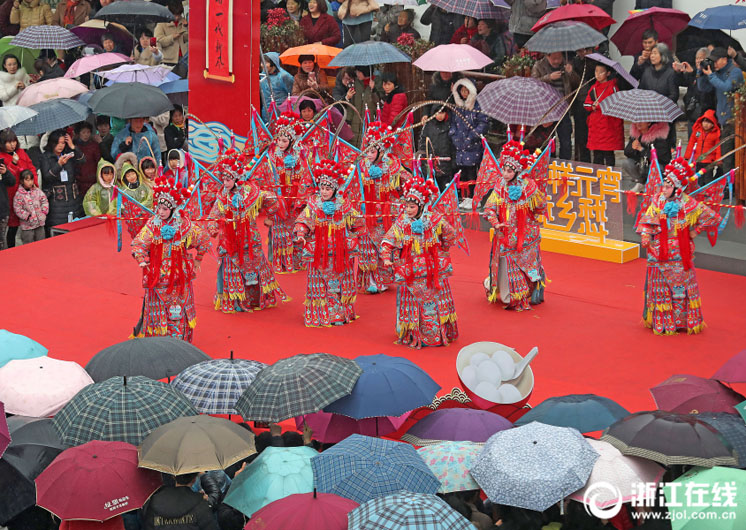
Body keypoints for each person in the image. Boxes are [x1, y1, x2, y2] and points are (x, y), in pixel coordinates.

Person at [636, 157, 720, 335]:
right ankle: (663, 323)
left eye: (667, 186)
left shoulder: (689, 204)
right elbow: (647, 221)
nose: (664, 189)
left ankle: (683, 321)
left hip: (681, 254)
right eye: (663, 186)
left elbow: (712, 217)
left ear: (678, 188)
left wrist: (695, 231)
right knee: (661, 289)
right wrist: (645, 236)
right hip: (659, 252)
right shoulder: (658, 201)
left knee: (681, 290)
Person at [381, 176, 458, 348]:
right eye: (406, 206)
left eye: (412, 207)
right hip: (411, 273)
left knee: (433, 302)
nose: (408, 210)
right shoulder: (402, 222)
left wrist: (441, 249)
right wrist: (386, 257)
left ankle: (436, 334)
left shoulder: (434, 220)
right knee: (414, 302)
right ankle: (415, 335)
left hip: (432, 271)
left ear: (421, 206)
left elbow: (451, 234)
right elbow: (388, 239)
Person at [131, 176, 210, 342]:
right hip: (157, 277)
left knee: (177, 312)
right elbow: (138, 242)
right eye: (159, 208)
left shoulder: (184, 225)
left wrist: (199, 258)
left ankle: (179, 342)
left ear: (173, 209)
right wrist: (141, 258)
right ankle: (158, 342)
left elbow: (203, 239)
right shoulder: (153, 224)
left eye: (165, 209)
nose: (160, 212)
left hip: (179, 277)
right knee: (160, 312)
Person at [293, 158, 366, 327]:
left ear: (335, 189)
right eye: (322, 188)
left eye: (328, 188)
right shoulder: (313, 204)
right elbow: (303, 221)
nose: (324, 192)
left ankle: (339, 314)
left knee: (339, 283)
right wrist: (301, 233)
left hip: (340, 252)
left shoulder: (344, 205)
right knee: (320, 282)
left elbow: (357, 222)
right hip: (319, 250)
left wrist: (358, 235)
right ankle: (321, 314)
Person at [207, 160, 287, 313]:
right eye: (223, 180)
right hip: (229, 241)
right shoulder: (222, 196)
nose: (225, 183)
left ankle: (256, 299)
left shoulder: (250, 193)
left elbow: (272, 199)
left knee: (254, 267)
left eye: (228, 179)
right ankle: (236, 301)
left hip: (250, 239)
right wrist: (212, 227)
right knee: (231, 265)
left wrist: (270, 217)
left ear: (237, 179)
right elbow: (213, 215)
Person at [484, 140, 546, 310]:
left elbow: (541, 207)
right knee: (507, 293)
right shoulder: (499, 185)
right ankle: (508, 290)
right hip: (505, 236)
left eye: (509, 171)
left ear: (518, 171)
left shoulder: (529, 186)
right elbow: (489, 207)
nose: (504, 174)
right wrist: (496, 223)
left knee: (529, 265)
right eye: (503, 169)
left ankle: (533, 287)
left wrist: (529, 204)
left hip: (526, 235)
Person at [357, 121, 410, 293]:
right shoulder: (361, 165)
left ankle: (383, 280)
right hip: (367, 213)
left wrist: (406, 197)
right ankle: (369, 281)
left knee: (384, 245)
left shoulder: (393, 164)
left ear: (381, 150)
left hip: (387, 213)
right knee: (367, 247)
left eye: (373, 151)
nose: (370, 154)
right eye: (368, 150)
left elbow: (407, 181)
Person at [258, 111, 312, 273]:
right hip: (279, 198)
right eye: (279, 140)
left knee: (297, 228)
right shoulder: (272, 155)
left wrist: (301, 197)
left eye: (284, 140)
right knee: (279, 230)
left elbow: (307, 176)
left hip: (295, 197)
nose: (280, 143)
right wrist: (272, 197)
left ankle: (298, 261)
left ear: (292, 140)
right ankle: (281, 262)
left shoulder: (302, 153)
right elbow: (266, 175)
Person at [697, 47, 743, 176]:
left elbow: (727, 88)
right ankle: (728, 187)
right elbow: (703, 88)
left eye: (715, 61)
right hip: (723, 122)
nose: (714, 64)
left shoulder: (735, 72)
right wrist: (700, 73)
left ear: (724, 59)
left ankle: (735, 189)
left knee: (737, 158)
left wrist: (711, 75)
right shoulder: (717, 73)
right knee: (726, 158)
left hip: (736, 122)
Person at [449, 78, 489, 208]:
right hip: (459, 146)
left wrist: (472, 136)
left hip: (473, 146)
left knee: (472, 172)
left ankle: (473, 197)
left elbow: (483, 124)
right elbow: (453, 123)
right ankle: (465, 197)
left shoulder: (478, 106)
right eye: (462, 90)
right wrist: (453, 135)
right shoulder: (458, 106)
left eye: (467, 90)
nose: (464, 93)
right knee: (462, 173)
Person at [532, 51, 580, 161]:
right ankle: (548, 163)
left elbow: (577, 83)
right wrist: (549, 77)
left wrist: (571, 73)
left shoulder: (566, 65)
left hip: (564, 108)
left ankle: (565, 164)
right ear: (547, 56)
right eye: (554, 58)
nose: (557, 61)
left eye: (559, 58)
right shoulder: (539, 66)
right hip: (547, 109)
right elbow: (534, 83)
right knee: (549, 139)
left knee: (566, 139)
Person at [40, 129, 85, 231]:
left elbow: (83, 161)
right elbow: (47, 177)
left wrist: (73, 146)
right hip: (57, 200)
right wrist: (59, 164)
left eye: (63, 143)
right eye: (58, 143)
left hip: (73, 197)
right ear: (52, 143)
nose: (61, 146)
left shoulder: (69, 153)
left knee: (75, 227)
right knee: (59, 229)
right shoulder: (46, 157)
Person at [141, 473, 218, 530]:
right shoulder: (200, 502)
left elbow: (147, 526)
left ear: (173, 476)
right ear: (194, 479)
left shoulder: (154, 501)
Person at [584, 63, 624, 168]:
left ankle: (609, 177)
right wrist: (593, 106)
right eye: (596, 71)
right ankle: (598, 176)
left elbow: (616, 104)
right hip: (596, 125)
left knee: (608, 153)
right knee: (597, 155)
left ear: (608, 73)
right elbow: (586, 104)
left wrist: (600, 105)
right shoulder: (593, 87)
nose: (598, 74)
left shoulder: (613, 87)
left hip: (608, 125)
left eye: (601, 72)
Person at [0, 128, 35, 248]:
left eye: (14, 141)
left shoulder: (21, 152)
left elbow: (31, 167)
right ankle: (11, 248)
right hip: (11, 194)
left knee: (28, 223)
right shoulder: (2, 156)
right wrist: (13, 163)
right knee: (13, 226)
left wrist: (33, 182)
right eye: (9, 142)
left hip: (26, 192)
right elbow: (8, 177)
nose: (12, 144)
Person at [333, 65, 377, 146]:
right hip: (354, 121)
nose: (357, 74)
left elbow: (378, 103)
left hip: (369, 121)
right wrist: (348, 121)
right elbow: (350, 104)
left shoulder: (376, 82)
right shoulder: (355, 84)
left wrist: (374, 89)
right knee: (353, 145)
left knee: (367, 144)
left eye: (359, 72)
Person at [623, 121, 671, 193]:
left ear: (649, 123)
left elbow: (662, 158)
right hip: (642, 165)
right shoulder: (636, 135)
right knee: (627, 163)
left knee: (657, 168)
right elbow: (627, 152)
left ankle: (655, 185)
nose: (638, 123)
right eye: (636, 121)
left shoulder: (659, 136)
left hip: (657, 166)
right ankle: (641, 183)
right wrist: (633, 148)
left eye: (641, 121)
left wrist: (642, 149)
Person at [115, 152, 153, 237]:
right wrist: (136, 210)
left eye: (133, 173)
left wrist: (142, 207)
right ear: (125, 178)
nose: (132, 177)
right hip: (134, 219)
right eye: (128, 175)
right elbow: (123, 206)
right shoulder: (123, 191)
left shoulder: (143, 186)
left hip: (146, 215)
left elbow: (149, 197)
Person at [419, 107, 456, 191]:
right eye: (438, 113)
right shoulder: (428, 126)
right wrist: (424, 161)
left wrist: (453, 162)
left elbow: (452, 145)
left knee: (445, 189)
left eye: (443, 113)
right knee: (432, 189)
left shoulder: (450, 125)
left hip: (446, 162)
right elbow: (423, 144)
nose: (440, 115)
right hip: (431, 162)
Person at [684, 109, 721, 186]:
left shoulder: (715, 134)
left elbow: (718, 148)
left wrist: (718, 160)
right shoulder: (698, 132)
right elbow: (691, 143)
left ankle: (708, 191)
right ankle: (699, 191)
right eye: (704, 121)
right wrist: (687, 156)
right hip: (698, 159)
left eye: (708, 122)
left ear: (713, 124)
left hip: (709, 161)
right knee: (698, 177)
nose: (705, 124)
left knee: (708, 178)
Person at [12, 169, 47, 245]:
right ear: (21, 181)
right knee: (28, 245)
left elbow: (44, 200)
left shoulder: (37, 191)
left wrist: (43, 212)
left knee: (41, 243)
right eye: (27, 180)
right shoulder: (19, 195)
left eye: (31, 180)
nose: (30, 182)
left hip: (40, 223)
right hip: (27, 226)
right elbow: (17, 208)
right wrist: (27, 216)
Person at [260, 52, 295, 122]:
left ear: (273, 63)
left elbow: (293, 94)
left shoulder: (284, 76)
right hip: (266, 112)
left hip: (281, 113)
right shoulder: (262, 75)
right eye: (262, 62)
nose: (262, 65)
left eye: (266, 62)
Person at [154, 0, 188, 66]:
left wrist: (185, 27)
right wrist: (172, 37)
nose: (177, 17)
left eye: (179, 15)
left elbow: (187, 38)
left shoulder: (183, 21)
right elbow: (159, 41)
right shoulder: (161, 23)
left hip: (184, 59)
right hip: (168, 60)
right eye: (175, 15)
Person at [74, 121, 102, 197]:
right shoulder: (74, 146)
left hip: (92, 178)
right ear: (79, 133)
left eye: (88, 132)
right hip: (79, 179)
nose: (86, 135)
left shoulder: (94, 145)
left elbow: (98, 161)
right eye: (83, 132)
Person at [0, 157, 15, 250]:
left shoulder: (2, 169)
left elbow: (12, 182)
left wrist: (5, 172)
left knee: (1, 241)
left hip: (2, 211)